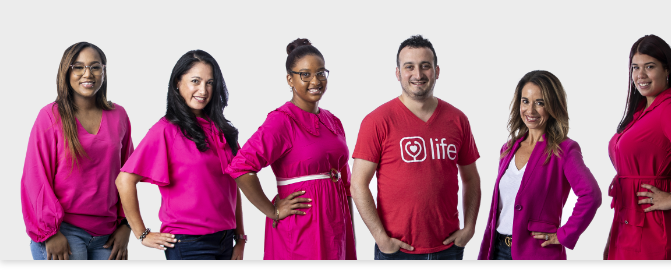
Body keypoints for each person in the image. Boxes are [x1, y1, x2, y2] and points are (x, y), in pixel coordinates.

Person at [351, 35, 481, 260]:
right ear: (398, 73)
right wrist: (381, 238)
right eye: (409, 67)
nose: (418, 75)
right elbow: (358, 184)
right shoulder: (377, 121)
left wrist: (469, 229)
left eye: (425, 66)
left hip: (448, 249)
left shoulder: (458, 119)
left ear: (437, 71)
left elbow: (471, 178)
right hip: (397, 251)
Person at [225, 38, 356, 260]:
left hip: (336, 225)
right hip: (301, 225)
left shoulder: (333, 120)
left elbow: (345, 181)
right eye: (305, 74)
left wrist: (349, 227)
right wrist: (272, 210)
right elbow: (241, 167)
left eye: (321, 73)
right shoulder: (281, 121)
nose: (315, 80)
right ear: (290, 79)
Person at [115, 50, 246, 260]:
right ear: (178, 82)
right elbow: (124, 181)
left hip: (225, 242)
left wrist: (240, 238)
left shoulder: (222, 130)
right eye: (195, 81)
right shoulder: (166, 130)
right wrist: (142, 234)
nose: (203, 90)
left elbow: (232, 186)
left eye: (209, 83)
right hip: (188, 244)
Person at [22, 42, 133, 260]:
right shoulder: (50, 116)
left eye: (95, 67)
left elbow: (127, 175)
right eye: (78, 67)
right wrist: (49, 233)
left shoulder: (119, 115)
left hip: (109, 235)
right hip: (64, 232)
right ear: (66, 71)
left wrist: (126, 224)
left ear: (104, 71)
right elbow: (35, 178)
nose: (87, 74)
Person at [477, 71, 602, 260]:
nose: (531, 110)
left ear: (553, 106)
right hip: (497, 249)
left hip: (536, 253)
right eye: (525, 101)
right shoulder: (508, 148)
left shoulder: (564, 149)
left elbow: (591, 195)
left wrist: (564, 234)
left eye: (540, 103)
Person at [604, 35, 671, 260]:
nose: (640, 75)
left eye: (649, 67)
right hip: (630, 218)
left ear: (666, 70)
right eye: (635, 67)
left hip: (656, 224)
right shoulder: (640, 113)